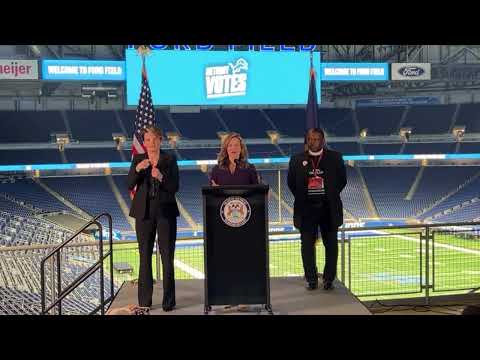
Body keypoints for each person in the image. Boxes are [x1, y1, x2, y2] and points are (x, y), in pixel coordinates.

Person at [127, 126, 179, 312]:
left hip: (166, 213)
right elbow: (129, 184)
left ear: (160, 140)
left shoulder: (170, 159)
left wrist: (161, 177)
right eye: (147, 140)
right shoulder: (138, 159)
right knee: (144, 257)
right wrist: (138, 170)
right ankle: (144, 301)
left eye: (154, 139)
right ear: (144, 142)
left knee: (167, 258)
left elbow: (175, 187)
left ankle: (168, 301)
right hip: (144, 214)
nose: (151, 143)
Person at [287, 128, 347, 291]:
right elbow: (291, 183)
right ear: (307, 140)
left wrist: (328, 195)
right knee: (306, 245)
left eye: (317, 139)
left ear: (323, 140)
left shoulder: (335, 157)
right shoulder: (296, 159)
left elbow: (342, 181)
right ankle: (311, 279)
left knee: (331, 245)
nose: (314, 142)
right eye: (311, 139)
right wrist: (307, 197)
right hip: (306, 209)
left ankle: (329, 279)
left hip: (329, 208)